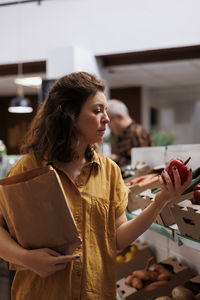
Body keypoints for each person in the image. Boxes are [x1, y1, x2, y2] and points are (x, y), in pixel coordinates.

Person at [0, 72, 192, 300]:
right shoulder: (27, 170)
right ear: (70, 115)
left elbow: (118, 240)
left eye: (106, 111)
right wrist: (26, 258)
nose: (107, 119)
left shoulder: (109, 171)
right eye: (97, 110)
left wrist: (162, 200)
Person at [107, 99, 154, 167]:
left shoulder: (137, 133)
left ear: (120, 117)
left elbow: (142, 165)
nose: (108, 126)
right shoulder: (122, 134)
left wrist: (116, 158)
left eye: (110, 121)